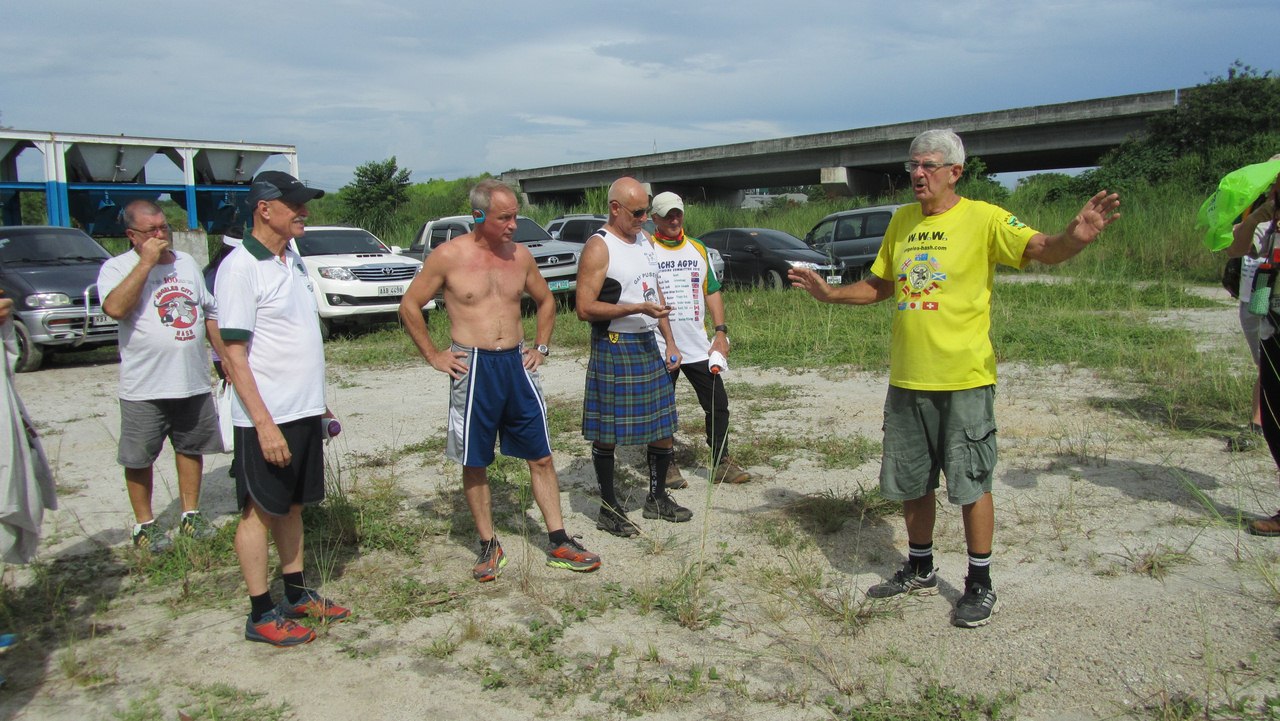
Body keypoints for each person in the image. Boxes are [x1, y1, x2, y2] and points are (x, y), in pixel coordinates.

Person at [790, 129, 1121, 628]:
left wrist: (1073, 238)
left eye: (928, 165)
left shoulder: (985, 218)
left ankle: (980, 583)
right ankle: (920, 567)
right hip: (908, 378)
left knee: (971, 482)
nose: (918, 174)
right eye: (912, 165)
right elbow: (881, 285)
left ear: (955, 172)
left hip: (964, 379)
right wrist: (830, 294)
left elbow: (1043, 248)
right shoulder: (902, 221)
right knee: (912, 480)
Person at [398, 179, 601, 581]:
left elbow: (545, 300)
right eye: (504, 218)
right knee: (475, 460)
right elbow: (410, 305)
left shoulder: (520, 256)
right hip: (473, 368)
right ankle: (489, 543)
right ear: (478, 216)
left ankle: (559, 540)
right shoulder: (447, 256)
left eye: (515, 217)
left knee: (541, 455)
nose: (512, 225)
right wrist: (434, 355)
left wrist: (541, 347)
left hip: (516, 365)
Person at [216, 170, 349, 646]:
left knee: (292, 505)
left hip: (302, 410)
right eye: (295, 205)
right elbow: (233, 355)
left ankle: (295, 593)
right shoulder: (240, 268)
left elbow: (295, 337)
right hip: (267, 417)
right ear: (264, 209)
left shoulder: (291, 258)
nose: (304, 212)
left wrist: (317, 403)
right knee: (259, 511)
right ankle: (260, 613)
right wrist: (263, 424)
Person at [97, 199, 224, 552]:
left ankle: (191, 515)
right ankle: (145, 525)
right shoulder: (116, 268)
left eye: (163, 226)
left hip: (190, 379)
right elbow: (115, 308)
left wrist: (223, 356)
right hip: (144, 385)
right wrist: (146, 263)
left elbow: (208, 311)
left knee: (190, 447)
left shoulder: (186, 263)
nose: (160, 234)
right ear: (132, 235)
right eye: (151, 230)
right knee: (139, 457)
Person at [575, 177, 690, 537]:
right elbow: (584, 308)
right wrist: (635, 308)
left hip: (646, 344)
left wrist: (669, 341)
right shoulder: (599, 246)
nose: (644, 219)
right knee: (607, 432)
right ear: (615, 208)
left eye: (646, 212)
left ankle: (657, 498)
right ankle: (609, 509)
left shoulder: (644, 240)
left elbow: (654, 292)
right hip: (614, 344)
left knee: (663, 425)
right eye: (638, 212)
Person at [648, 191, 750, 486]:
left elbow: (712, 291)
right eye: (667, 215)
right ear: (655, 218)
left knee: (718, 404)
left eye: (677, 214)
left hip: (697, 347)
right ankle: (666, 465)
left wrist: (721, 332)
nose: (674, 220)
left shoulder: (697, 248)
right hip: (660, 346)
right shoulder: (646, 249)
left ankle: (721, 462)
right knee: (661, 409)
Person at [1228, 168, 1280, 535]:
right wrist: (1260, 215)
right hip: (1272, 324)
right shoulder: (1270, 223)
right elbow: (1235, 248)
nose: (1274, 186)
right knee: (1275, 417)